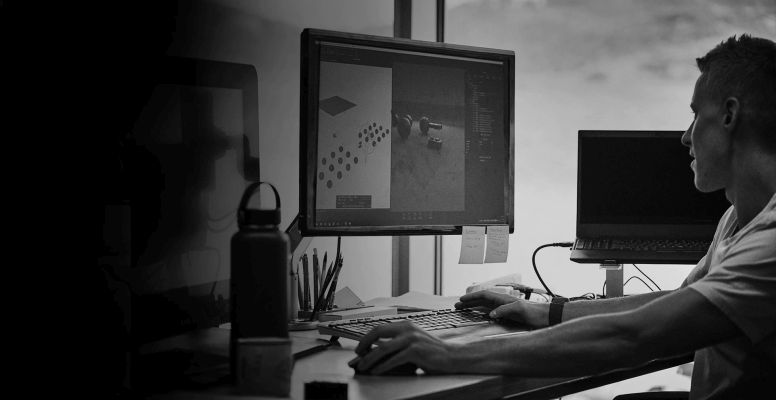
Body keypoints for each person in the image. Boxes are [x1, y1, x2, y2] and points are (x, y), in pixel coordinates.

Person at [352, 34, 775, 399]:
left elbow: (637, 335)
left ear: (729, 115)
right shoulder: (737, 218)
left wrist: (449, 353)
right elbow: (669, 306)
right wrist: (548, 312)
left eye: (696, 114)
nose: (685, 136)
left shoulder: (770, 243)